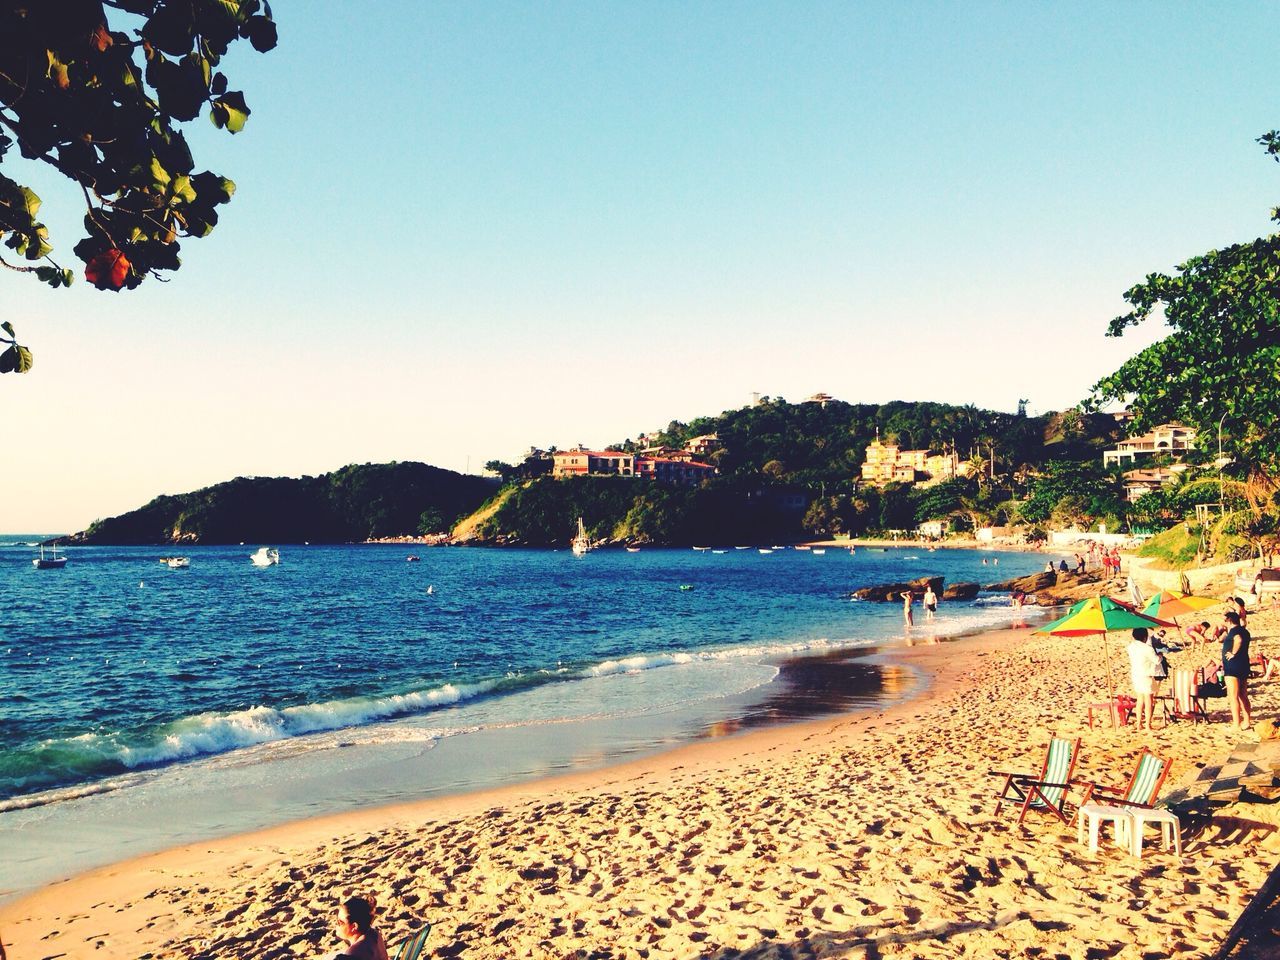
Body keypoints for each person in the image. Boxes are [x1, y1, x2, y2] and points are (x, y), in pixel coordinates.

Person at [328, 896, 389, 960]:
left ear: (354, 926)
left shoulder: (353, 953)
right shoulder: (374, 934)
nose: (336, 923)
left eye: (340, 922)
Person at [1221, 611, 1253, 731]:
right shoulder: (1245, 631)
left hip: (1233, 666)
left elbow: (1238, 640)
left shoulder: (1235, 631)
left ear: (1229, 620)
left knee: (1233, 696)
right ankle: (1247, 722)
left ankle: (1236, 724)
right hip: (1243, 664)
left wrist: (1233, 653)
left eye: (1225, 620)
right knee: (1243, 695)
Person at [1127, 627, 1160, 730]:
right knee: (1148, 699)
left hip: (1136, 674)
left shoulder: (1130, 647)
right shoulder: (1147, 648)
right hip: (1146, 674)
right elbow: (1157, 661)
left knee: (1140, 699)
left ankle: (1138, 723)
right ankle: (1147, 724)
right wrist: (1161, 655)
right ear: (1145, 637)